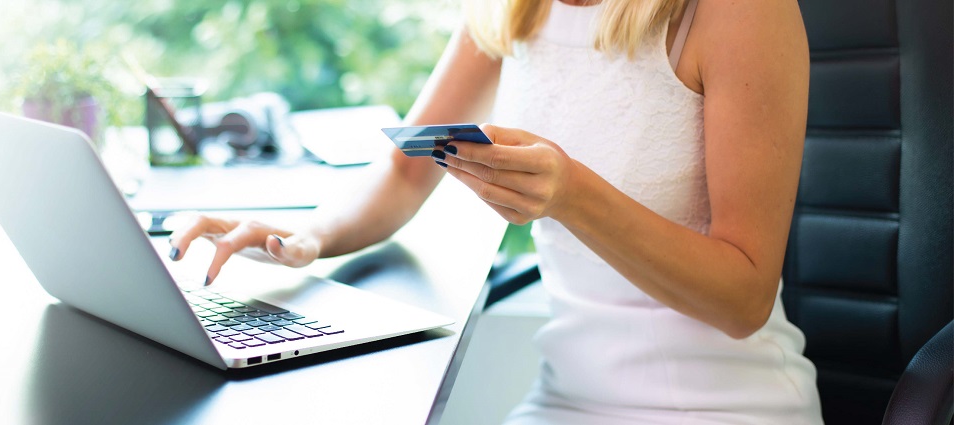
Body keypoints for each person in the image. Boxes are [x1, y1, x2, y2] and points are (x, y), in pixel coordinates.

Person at [168, 0, 819, 422]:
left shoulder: (739, 11)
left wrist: (572, 195)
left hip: (718, 406)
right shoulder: (512, 10)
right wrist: (300, 233)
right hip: (566, 397)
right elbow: (405, 168)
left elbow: (744, 296)